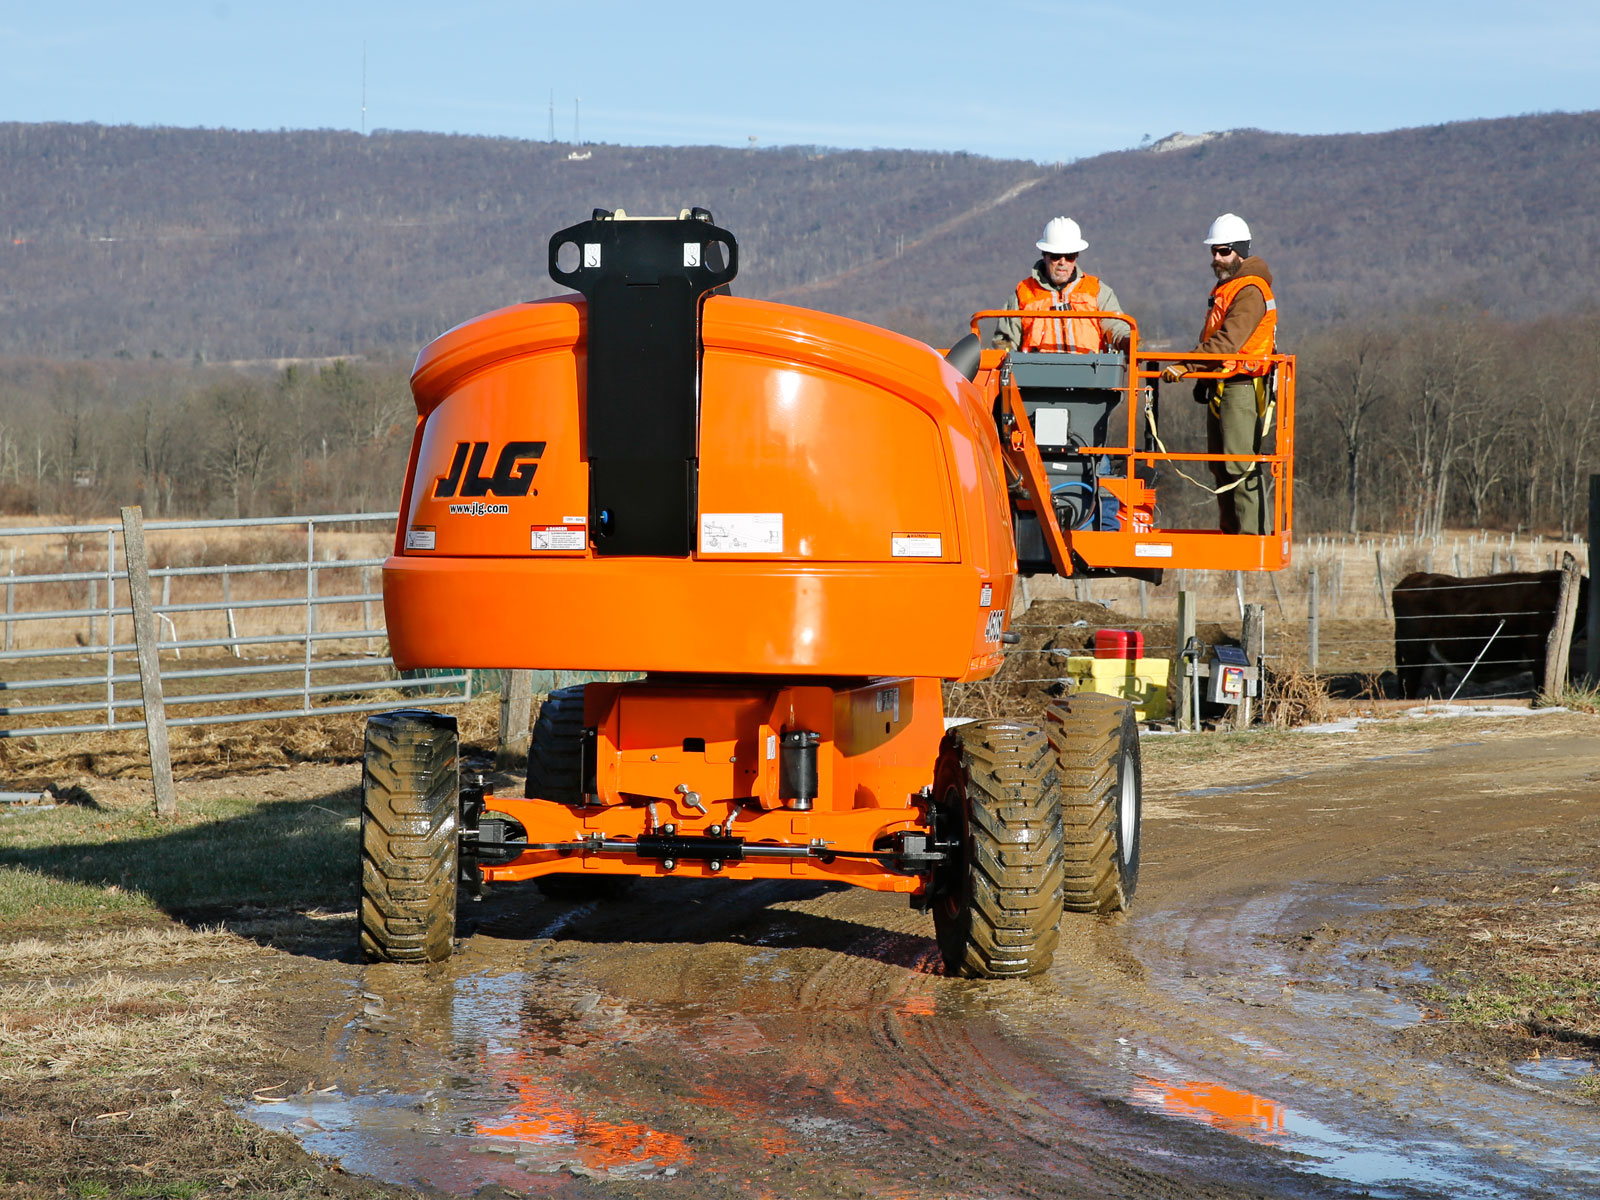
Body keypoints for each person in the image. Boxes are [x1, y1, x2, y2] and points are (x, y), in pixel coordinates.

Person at [1160, 213, 1278, 536]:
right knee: (1220, 465)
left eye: (1223, 251)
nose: (1216, 258)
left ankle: (1251, 537)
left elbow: (1228, 342)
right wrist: (1202, 379)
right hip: (1221, 385)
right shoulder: (1226, 288)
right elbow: (1211, 338)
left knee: (1239, 464)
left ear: (1240, 251)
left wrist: (1188, 366)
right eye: (1213, 251)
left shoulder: (1250, 290)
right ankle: (1231, 532)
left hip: (1242, 386)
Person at [993, 217, 1130, 354]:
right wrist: (1004, 351)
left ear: (1076, 257)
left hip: (1090, 372)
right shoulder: (1023, 294)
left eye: (1069, 256)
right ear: (1045, 255)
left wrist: (1126, 341)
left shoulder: (1097, 290)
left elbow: (1115, 326)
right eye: (1056, 256)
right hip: (1036, 373)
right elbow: (1006, 341)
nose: (1062, 262)